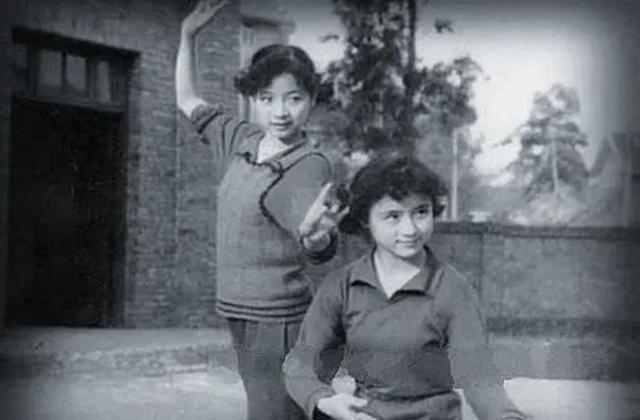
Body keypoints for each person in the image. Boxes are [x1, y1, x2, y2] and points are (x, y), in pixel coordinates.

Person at [176, 1, 347, 419]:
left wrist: (317, 239)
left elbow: (316, 241)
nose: (280, 111)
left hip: (280, 321)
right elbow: (187, 98)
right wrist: (187, 35)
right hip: (239, 311)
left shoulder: (309, 163)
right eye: (266, 98)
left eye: (294, 98)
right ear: (252, 98)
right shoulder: (240, 139)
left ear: (312, 99)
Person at [283, 155, 530, 420]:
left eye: (421, 212)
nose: (410, 229)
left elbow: (480, 379)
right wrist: (325, 400)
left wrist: (508, 417)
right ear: (366, 219)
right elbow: (301, 368)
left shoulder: (451, 288)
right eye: (393, 216)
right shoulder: (342, 287)